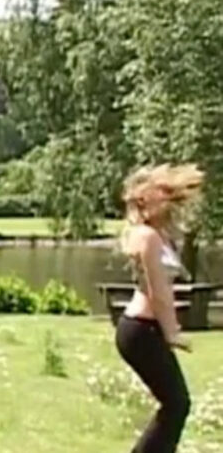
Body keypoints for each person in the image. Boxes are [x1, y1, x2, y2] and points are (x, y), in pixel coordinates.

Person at [116, 163, 203, 452]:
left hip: (143, 328)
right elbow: (158, 290)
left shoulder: (157, 234)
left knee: (175, 404)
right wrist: (172, 332)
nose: (165, 198)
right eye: (158, 193)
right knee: (177, 403)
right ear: (143, 199)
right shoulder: (147, 236)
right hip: (142, 329)